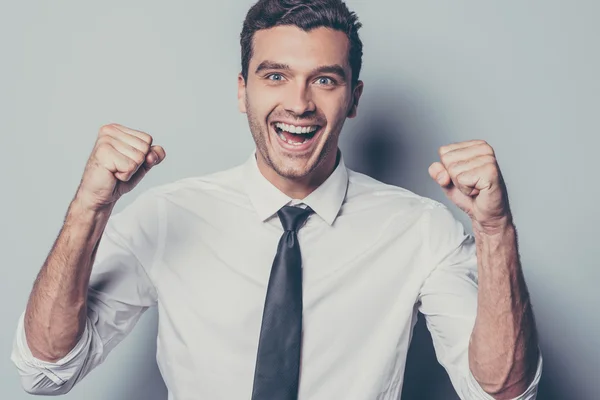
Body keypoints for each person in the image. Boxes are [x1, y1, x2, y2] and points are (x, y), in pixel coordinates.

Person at [11, 0, 543, 399]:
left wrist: (496, 233)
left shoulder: (421, 231)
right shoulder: (168, 217)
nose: (299, 103)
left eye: (325, 80)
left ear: (353, 98)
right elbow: (45, 368)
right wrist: (89, 209)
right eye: (275, 76)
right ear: (243, 90)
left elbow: (503, 392)